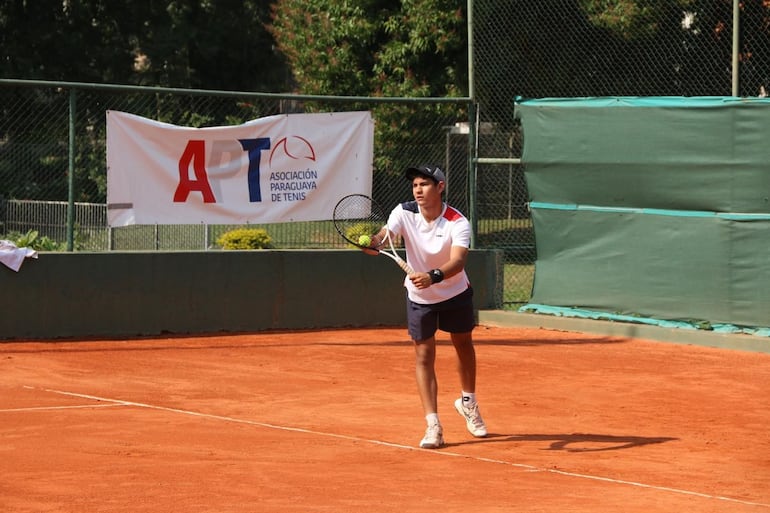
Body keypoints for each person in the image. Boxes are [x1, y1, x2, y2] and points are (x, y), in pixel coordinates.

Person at [366, 164, 487, 449]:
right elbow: (384, 239)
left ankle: (468, 402)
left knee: (463, 344)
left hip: (454, 291)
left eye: (424, 184)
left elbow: (458, 262)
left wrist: (432, 276)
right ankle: (433, 424)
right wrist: (371, 243)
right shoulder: (403, 212)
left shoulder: (458, 221)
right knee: (424, 354)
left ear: (440, 187)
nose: (418, 190)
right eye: (415, 185)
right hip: (420, 298)